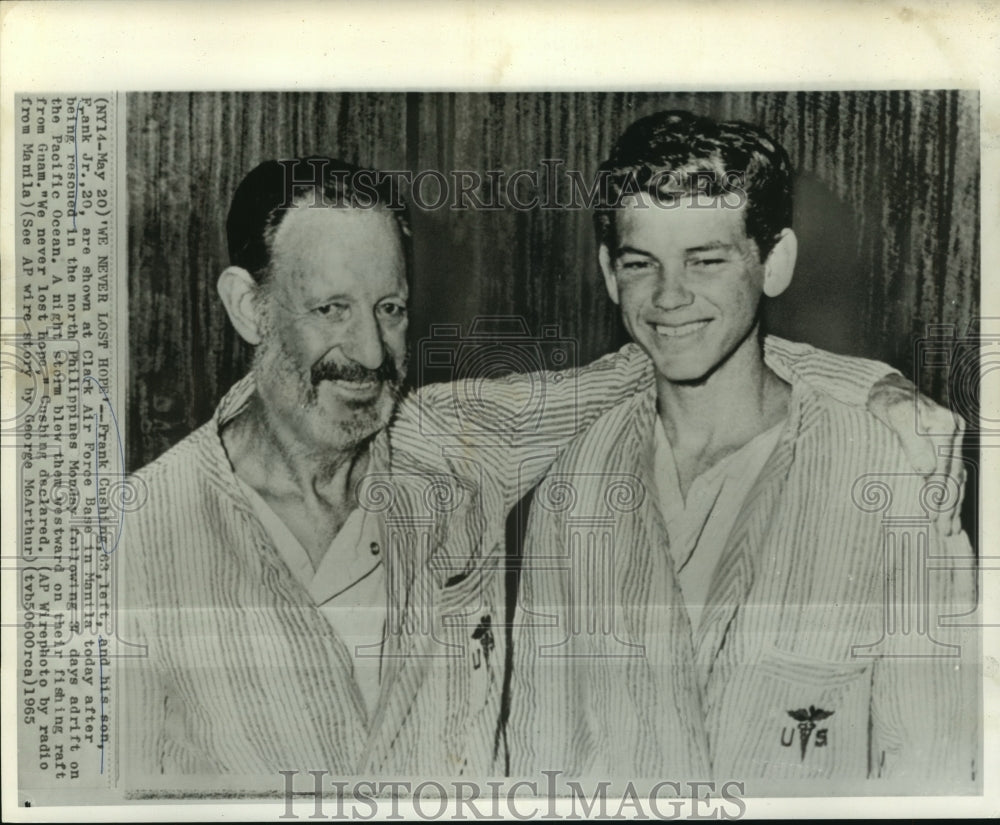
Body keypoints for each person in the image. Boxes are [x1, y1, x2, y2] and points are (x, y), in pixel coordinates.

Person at [118, 154, 958, 790]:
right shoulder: (133, 538)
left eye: (391, 309)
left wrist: (872, 391)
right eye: (332, 309)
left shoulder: (448, 445)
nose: (371, 353)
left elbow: (663, 357)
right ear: (247, 305)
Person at [509, 111, 977, 791]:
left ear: (774, 261)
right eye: (642, 264)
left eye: (707, 259)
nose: (670, 296)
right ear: (610, 273)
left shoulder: (891, 474)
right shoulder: (571, 483)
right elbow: (541, 761)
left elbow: (934, 767)